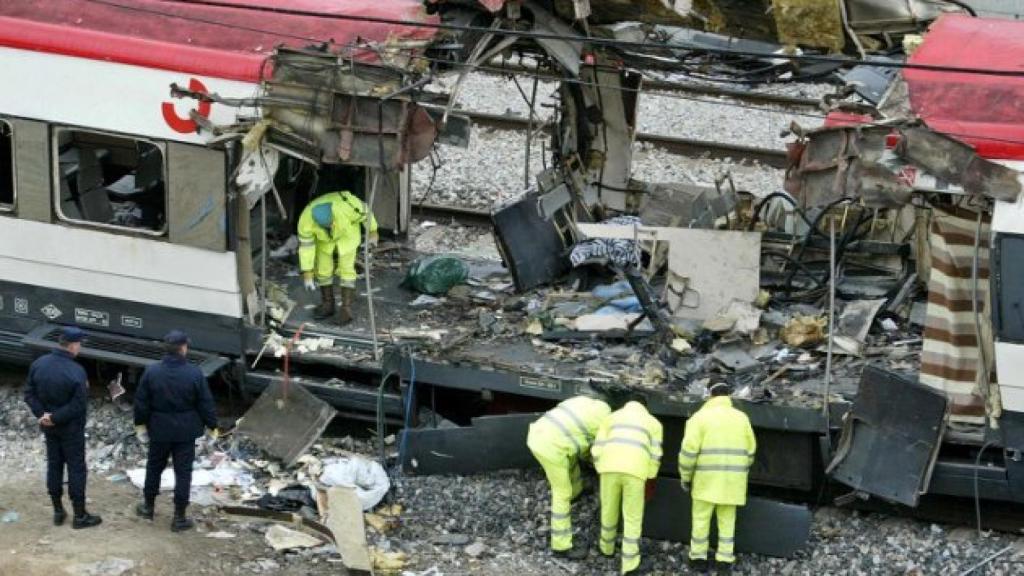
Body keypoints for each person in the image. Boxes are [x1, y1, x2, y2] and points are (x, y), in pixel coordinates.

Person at [134, 330, 218, 532]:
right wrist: (212, 425)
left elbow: (141, 402)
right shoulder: (194, 373)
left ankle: (148, 506)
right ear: (183, 348)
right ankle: (179, 517)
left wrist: (140, 424)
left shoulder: (152, 371)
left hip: (159, 428)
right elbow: (205, 403)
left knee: (154, 467)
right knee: (183, 473)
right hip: (185, 431)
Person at [23, 326, 102, 529]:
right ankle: (79, 516)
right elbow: (78, 405)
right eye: (79, 345)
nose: (80, 348)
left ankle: (58, 511)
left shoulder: (39, 364)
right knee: (76, 469)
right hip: (70, 429)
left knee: (54, 465)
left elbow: (29, 394)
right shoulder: (76, 371)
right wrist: (56, 417)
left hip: (48, 427)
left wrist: (43, 415)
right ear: (73, 345)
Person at [678, 381, 757, 574]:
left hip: (706, 481)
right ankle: (724, 561)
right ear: (728, 395)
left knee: (700, 519)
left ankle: (698, 558)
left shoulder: (699, 418)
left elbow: (688, 453)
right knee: (727, 521)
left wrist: (686, 477)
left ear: (710, 395)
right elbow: (751, 450)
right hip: (732, 482)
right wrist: (739, 472)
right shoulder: (742, 418)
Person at [526, 395, 611, 559]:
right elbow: (594, 451)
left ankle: (577, 491)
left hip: (539, 432)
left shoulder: (583, 401)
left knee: (571, 458)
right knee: (561, 493)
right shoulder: (606, 423)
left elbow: (579, 439)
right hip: (550, 447)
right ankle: (561, 546)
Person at [592, 398, 663, 575]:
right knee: (632, 517)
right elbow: (656, 454)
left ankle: (606, 548)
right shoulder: (654, 423)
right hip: (635, 471)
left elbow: (597, 448)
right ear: (645, 407)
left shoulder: (611, 418)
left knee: (608, 508)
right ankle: (629, 564)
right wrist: (650, 475)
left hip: (608, 468)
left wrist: (600, 466)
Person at [297, 191, 378, 325]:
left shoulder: (346, 206)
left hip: (347, 236)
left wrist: (373, 231)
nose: (330, 227)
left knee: (346, 269)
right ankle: (328, 304)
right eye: (326, 226)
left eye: (331, 224)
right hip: (324, 241)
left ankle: (346, 309)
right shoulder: (306, 220)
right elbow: (306, 246)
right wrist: (307, 273)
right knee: (323, 270)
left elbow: (366, 213)